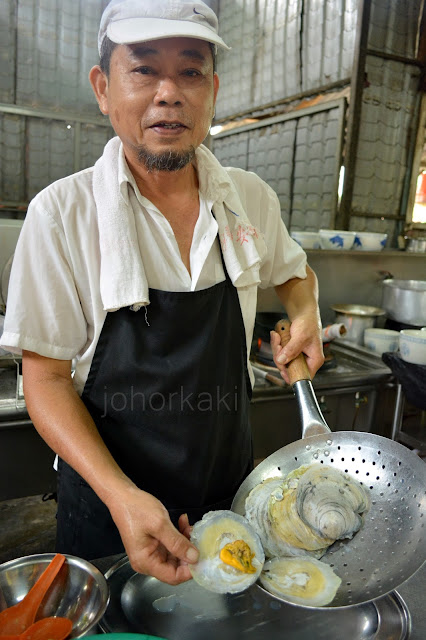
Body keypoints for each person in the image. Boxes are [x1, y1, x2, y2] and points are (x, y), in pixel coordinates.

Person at [0, 0, 324, 585]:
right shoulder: (62, 215)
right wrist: (123, 497)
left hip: (231, 500)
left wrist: (306, 312)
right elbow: (43, 380)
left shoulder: (249, 199)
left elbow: (295, 273)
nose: (169, 92)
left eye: (191, 70)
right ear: (103, 88)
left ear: (212, 90)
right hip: (110, 514)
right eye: (144, 68)